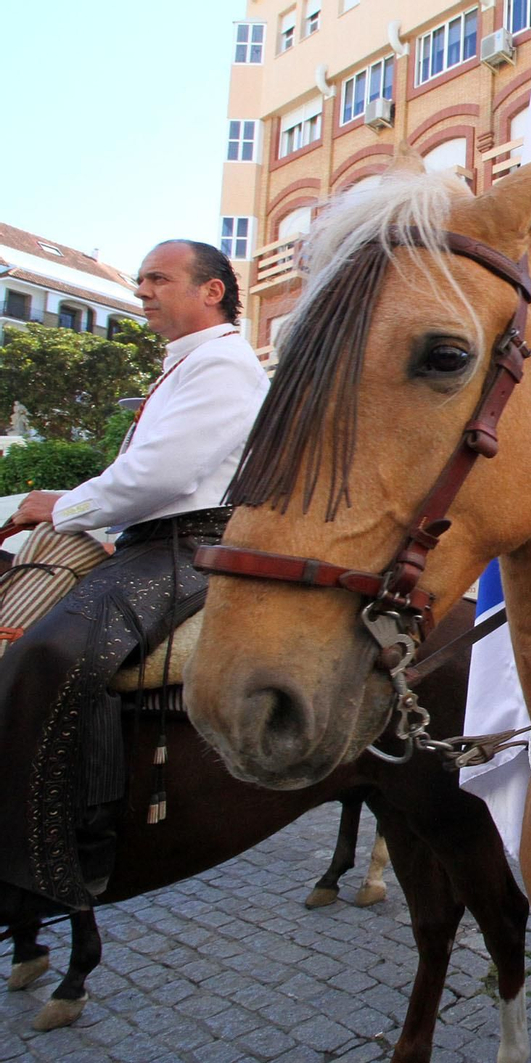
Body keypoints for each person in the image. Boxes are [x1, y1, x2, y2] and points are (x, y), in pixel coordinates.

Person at [0, 240, 269, 912]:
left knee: (50, 648)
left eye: (159, 278)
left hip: (188, 546)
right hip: (151, 539)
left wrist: (61, 505)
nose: (144, 290)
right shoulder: (186, 365)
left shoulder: (224, 365)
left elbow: (161, 477)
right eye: (142, 279)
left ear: (212, 291)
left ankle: (74, 844)